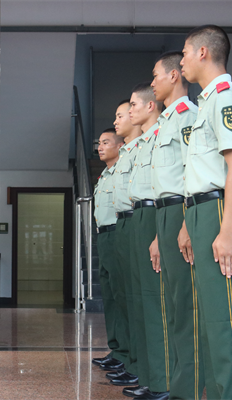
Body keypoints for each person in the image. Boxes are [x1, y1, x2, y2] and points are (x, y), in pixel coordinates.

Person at [181, 25, 232, 399]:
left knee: (227, 325)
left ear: (203, 52)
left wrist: (228, 231)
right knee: (211, 325)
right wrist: (188, 223)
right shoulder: (207, 103)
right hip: (204, 213)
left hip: (222, 214)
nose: (181, 61)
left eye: (184, 53)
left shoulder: (228, 98)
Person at [150, 52, 205, 400]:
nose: (152, 82)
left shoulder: (188, 116)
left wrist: (185, 222)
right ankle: (177, 384)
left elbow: (191, 171)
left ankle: (189, 389)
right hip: (164, 215)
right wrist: (160, 234)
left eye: (156, 75)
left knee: (186, 306)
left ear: (173, 76)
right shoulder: (166, 121)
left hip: (180, 211)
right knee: (173, 306)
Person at [127, 82, 170, 400]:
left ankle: (163, 381)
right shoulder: (142, 142)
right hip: (138, 215)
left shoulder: (162, 133)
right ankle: (149, 376)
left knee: (156, 303)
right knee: (141, 302)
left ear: (150, 106)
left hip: (156, 213)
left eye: (133, 105)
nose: (130, 111)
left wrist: (158, 233)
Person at [102, 100, 142, 390]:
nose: (117, 121)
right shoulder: (116, 165)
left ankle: (136, 363)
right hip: (114, 230)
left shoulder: (138, 150)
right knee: (116, 297)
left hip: (130, 225)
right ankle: (124, 355)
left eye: (121, 115)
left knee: (134, 300)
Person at [92, 127, 127, 372]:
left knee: (121, 295)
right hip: (103, 235)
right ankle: (117, 349)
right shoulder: (104, 175)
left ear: (120, 146)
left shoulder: (124, 170)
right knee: (110, 297)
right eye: (99, 143)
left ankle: (127, 353)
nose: (100, 147)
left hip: (118, 233)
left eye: (106, 142)